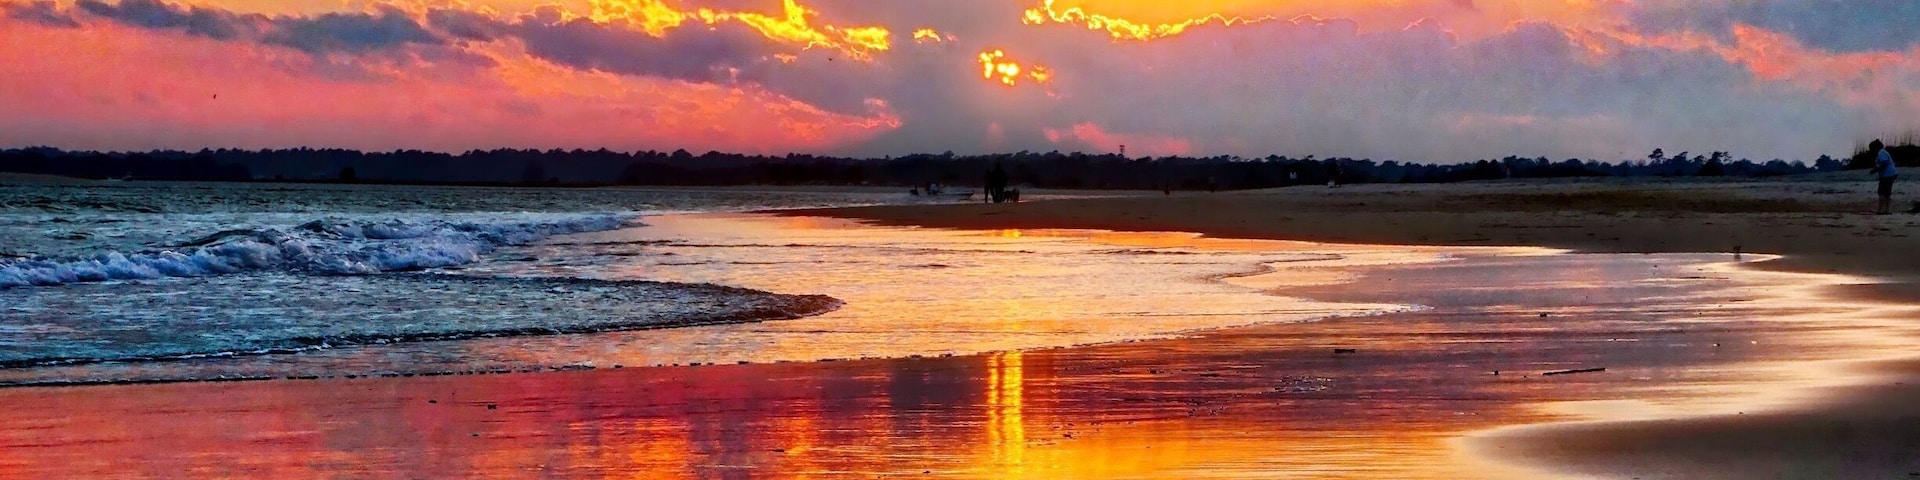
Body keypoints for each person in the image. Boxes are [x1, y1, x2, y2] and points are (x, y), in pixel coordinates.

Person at [1870, 139, 1897, 214]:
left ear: (1875, 148)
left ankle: (1879, 210)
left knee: (1881, 192)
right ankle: (1886, 210)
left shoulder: (1881, 153)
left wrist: (1875, 170)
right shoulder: (1883, 152)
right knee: (1887, 193)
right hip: (1891, 174)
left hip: (1887, 175)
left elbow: (1884, 164)